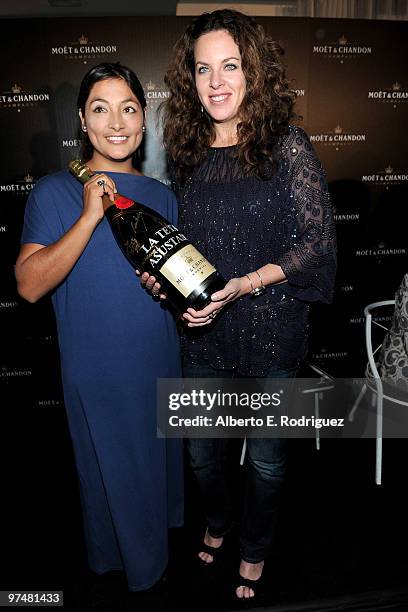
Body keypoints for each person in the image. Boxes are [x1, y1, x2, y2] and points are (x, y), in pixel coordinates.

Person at [141, 9, 337, 601]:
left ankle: (254, 548)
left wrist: (245, 284)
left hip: (274, 332)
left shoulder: (286, 145)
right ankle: (220, 523)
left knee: (269, 464)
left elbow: (317, 241)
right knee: (203, 458)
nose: (216, 82)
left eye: (230, 66)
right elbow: (171, 249)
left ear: (253, 73)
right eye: (204, 69)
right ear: (190, 80)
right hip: (206, 333)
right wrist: (170, 294)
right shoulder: (183, 152)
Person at [15, 62, 183, 593]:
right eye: (101, 108)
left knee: (152, 476)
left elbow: (172, 286)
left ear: (143, 120)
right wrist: (90, 213)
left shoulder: (163, 195)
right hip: (96, 367)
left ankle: (155, 574)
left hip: (157, 358)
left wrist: (169, 292)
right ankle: (122, 574)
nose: (116, 122)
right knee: (107, 475)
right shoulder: (52, 193)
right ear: (83, 124)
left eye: (129, 108)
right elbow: (29, 285)